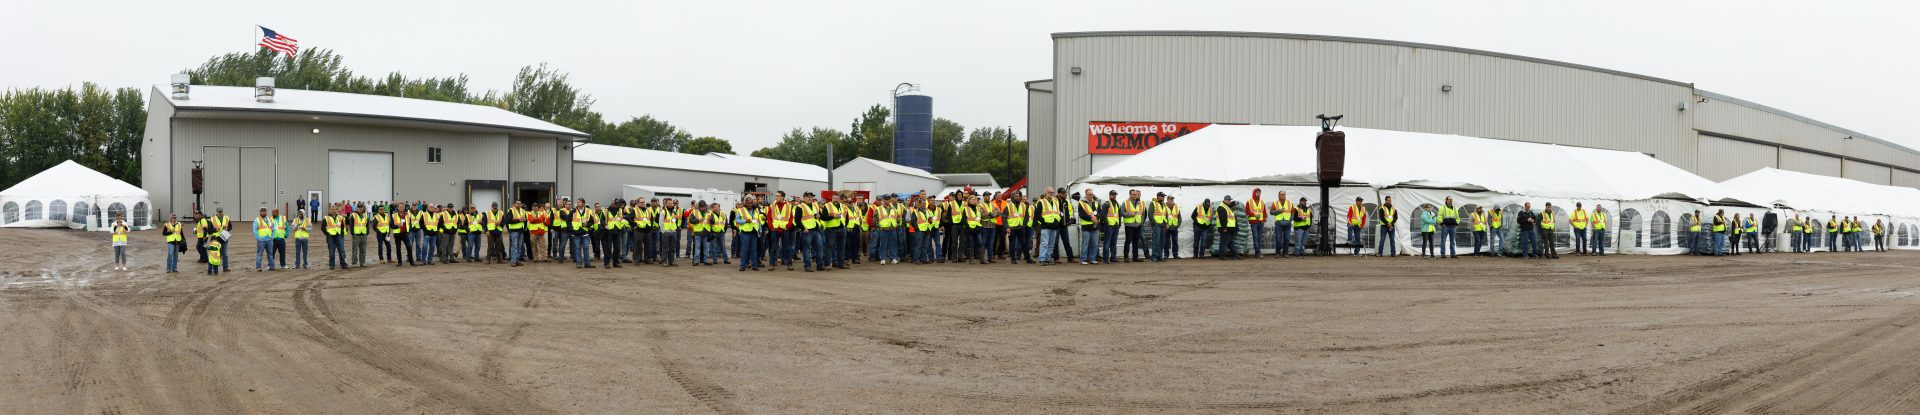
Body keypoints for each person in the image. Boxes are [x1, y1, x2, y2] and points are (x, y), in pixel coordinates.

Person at [1078, 190, 1102, 265]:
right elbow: (1081, 215)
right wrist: (1092, 218)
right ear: (1086, 195)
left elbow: (1100, 213)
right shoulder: (1081, 203)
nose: (1091, 196)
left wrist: (1096, 217)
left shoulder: (1096, 202)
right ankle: (1083, 259)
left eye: (1092, 194)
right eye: (1089, 194)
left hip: (1095, 227)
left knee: (1095, 244)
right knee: (1085, 244)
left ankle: (1092, 258)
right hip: (1086, 227)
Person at [1246, 189, 1267, 258]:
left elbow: (1264, 211)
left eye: (1259, 192)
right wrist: (1254, 214)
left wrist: (1264, 218)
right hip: (1253, 222)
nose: (1258, 194)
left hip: (1260, 222)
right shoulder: (1249, 201)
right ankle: (1258, 253)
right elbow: (1246, 211)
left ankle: (1257, 253)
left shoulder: (1262, 201)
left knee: (1259, 237)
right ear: (1254, 193)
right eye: (1257, 192)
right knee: (1255, 237)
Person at [1272, 191, 1292, 258]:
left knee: (1287, 238)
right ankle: (1278, 252)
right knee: (1278, 238)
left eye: (1284, 194)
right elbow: (1271, 212)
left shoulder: (1289, 202)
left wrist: (1290, 220)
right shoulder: (1275, 203)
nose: (1283, 196)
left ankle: (1285, 253)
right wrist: (1278, 211)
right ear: (1278, 195)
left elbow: (1293, 213)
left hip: (1287, 223)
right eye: (1281, 194)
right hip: (1279, 223)